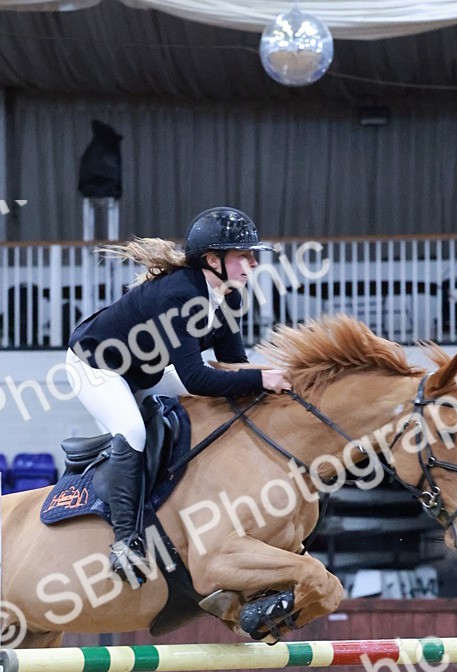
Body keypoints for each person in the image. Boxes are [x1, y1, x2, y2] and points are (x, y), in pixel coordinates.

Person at [66, 206, 291, 586]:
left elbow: (232, 364)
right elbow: (197, 378)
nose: (253, 263)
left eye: (253, 255)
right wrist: (261, 379)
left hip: (144, 371)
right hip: (96, 367)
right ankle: (124, 542)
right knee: (133, 433)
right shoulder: (178, 295)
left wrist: (269, 383)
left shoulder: (229, 296)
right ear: (212, 259)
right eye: (243, 255)